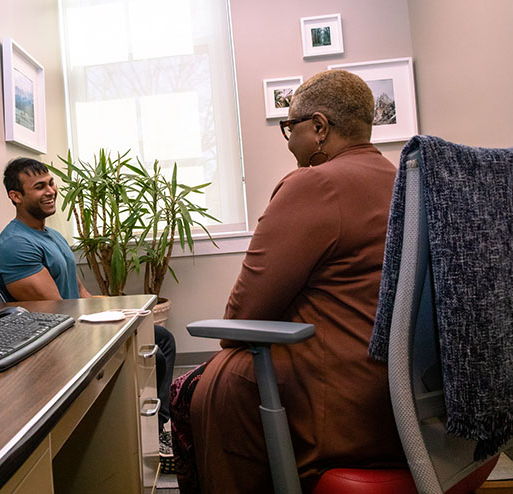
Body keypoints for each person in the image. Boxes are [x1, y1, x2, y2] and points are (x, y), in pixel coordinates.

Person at [170, 70, 406, 493]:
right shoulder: (401, 180)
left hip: (347, 409)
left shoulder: (315, 184)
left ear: (318, 128)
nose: (288, 139)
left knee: (226, 377)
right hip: (405, 396)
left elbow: (244, 316)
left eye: (288, 127)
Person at [0, 157, 176, 450]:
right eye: (39, 187)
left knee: (161, 338)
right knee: (158, 351)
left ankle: (157, 427)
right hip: (59, 338)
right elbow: (58, 309)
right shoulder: (16, 245)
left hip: (77, 320)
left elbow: (81, 295)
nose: (51, 190)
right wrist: (113, 319)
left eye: (51, 183)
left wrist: (124, 307)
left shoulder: (51, 235)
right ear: (16, 196)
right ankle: (152, 434)